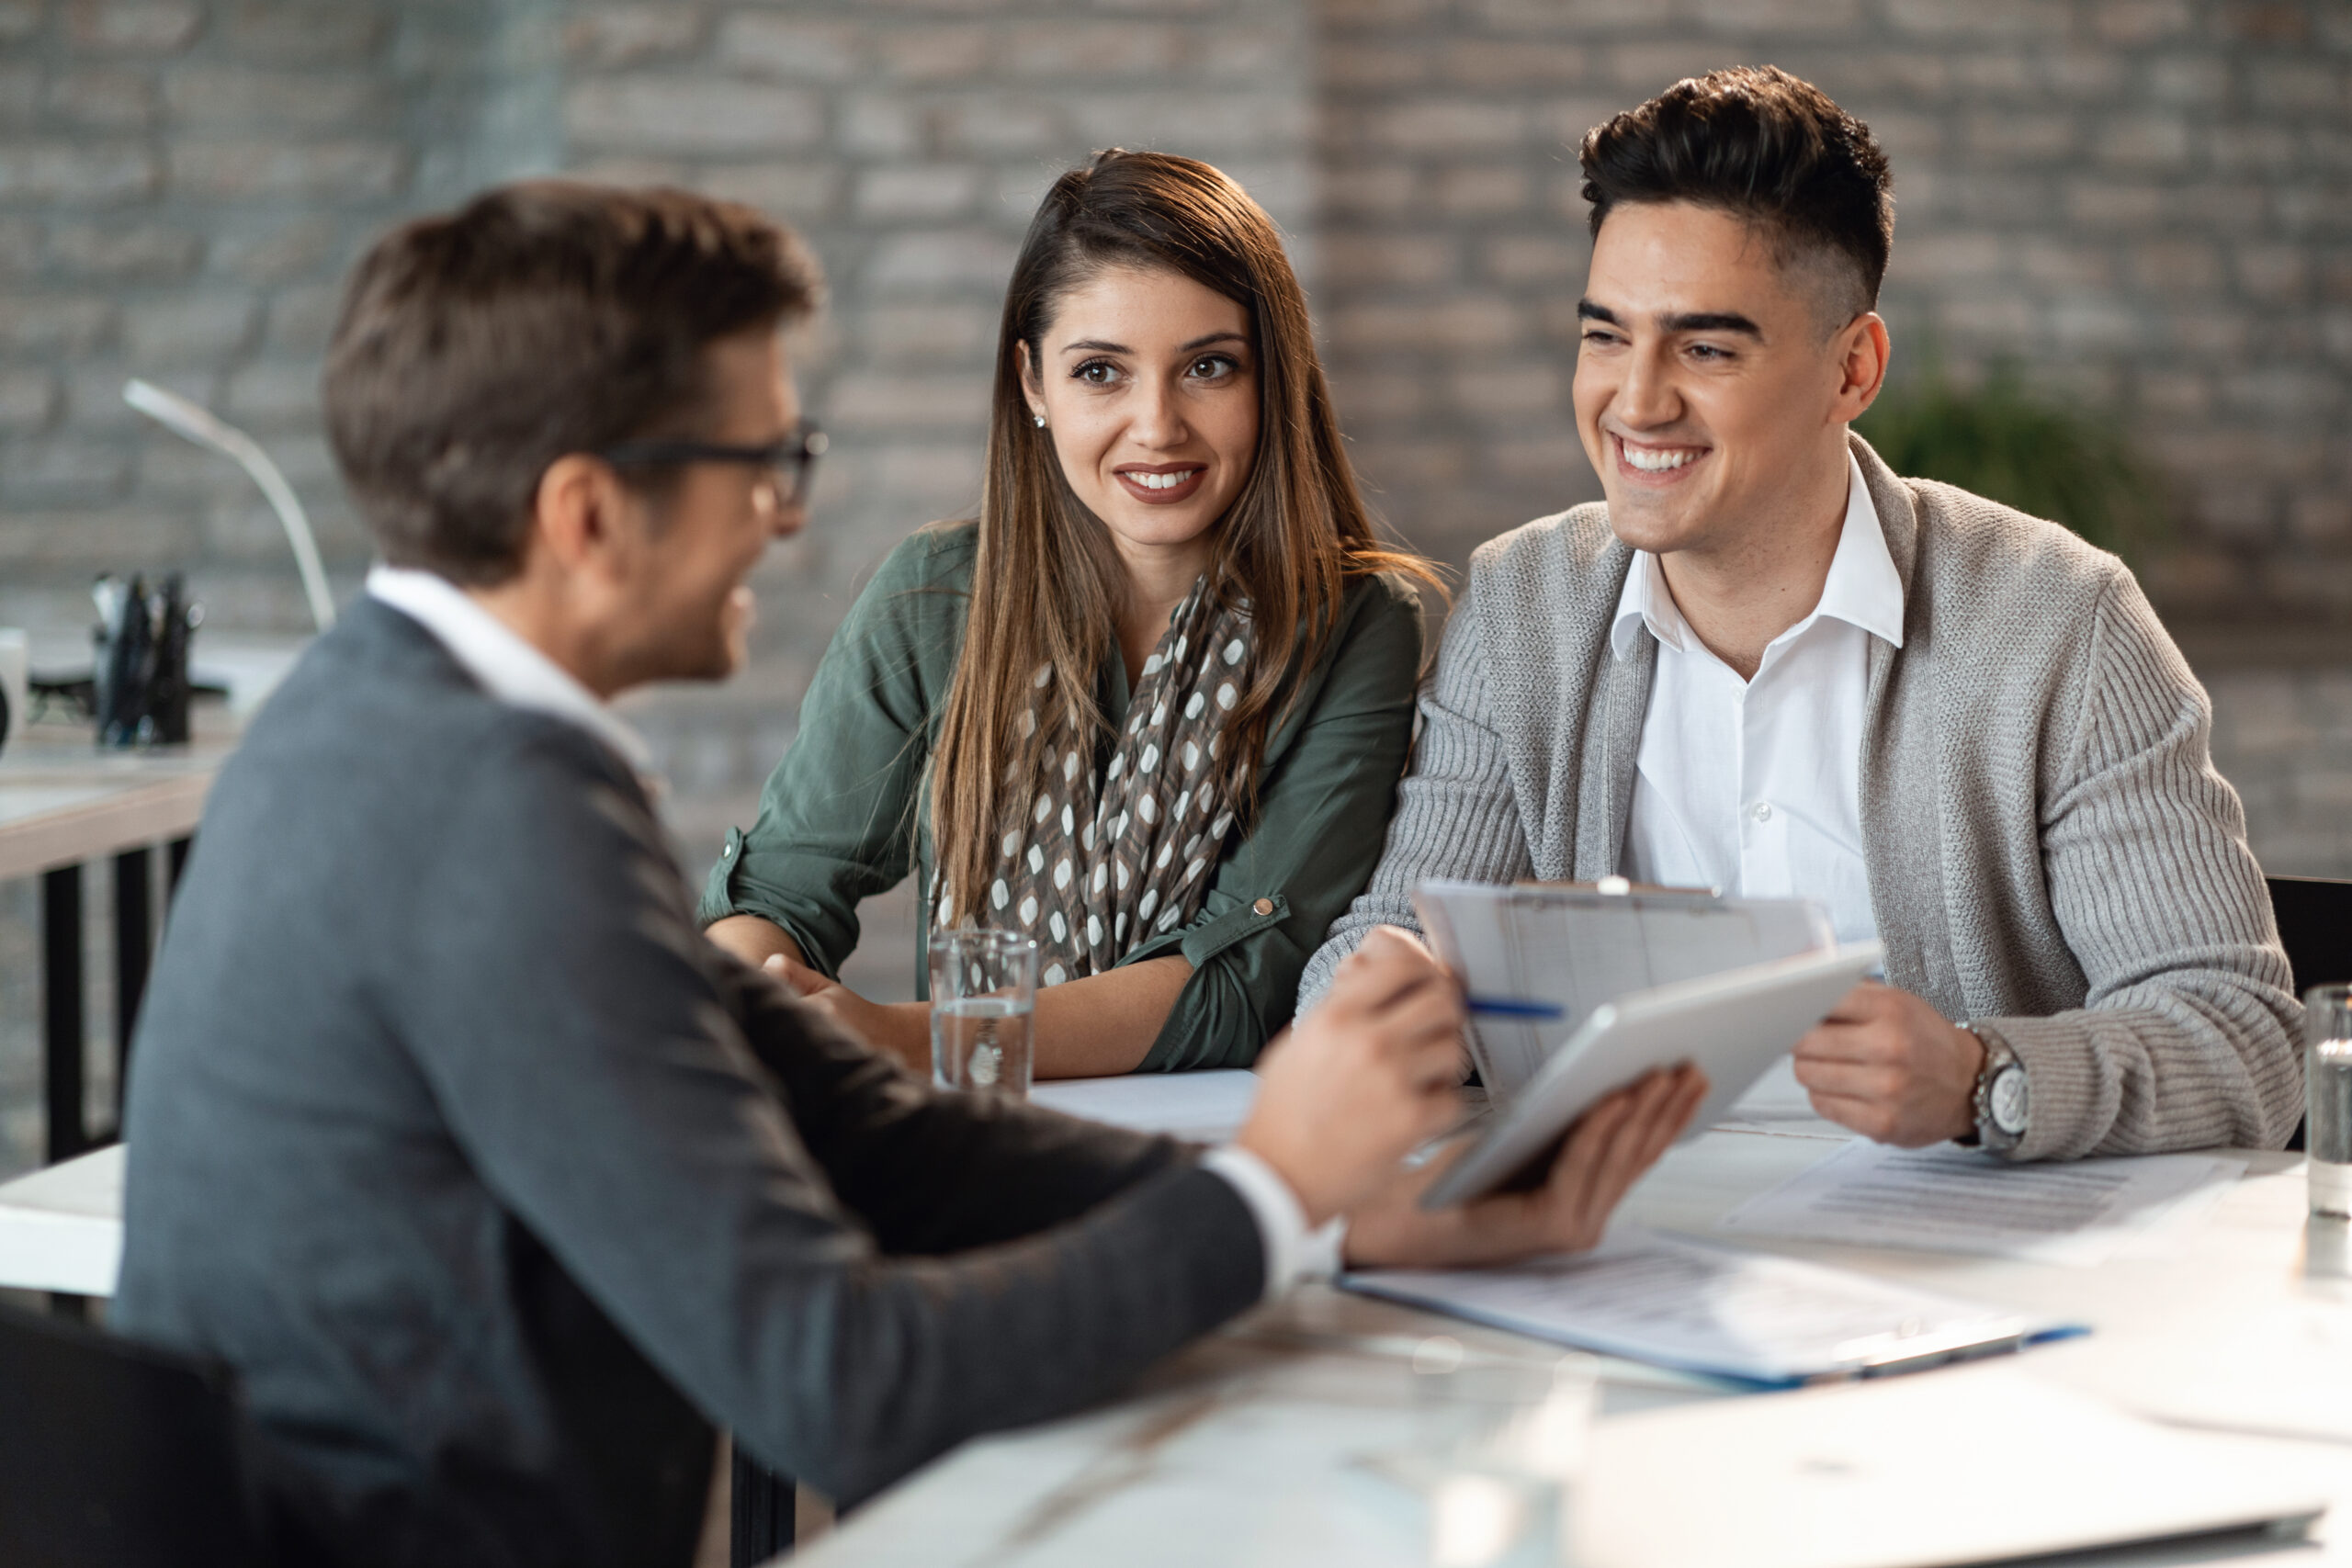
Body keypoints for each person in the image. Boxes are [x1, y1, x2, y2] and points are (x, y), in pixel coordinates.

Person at [110, 181, 1705, 1567]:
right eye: (760, 459)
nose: (782, 518)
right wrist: (1270, 1186)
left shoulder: (391, 720)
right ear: (590, 513)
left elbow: (860, 1123)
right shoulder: (486, 807)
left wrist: (1342, 1223)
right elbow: (838, 1375)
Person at [1302, 66, 2303, 1163]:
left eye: (1706, 348)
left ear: (1853, 369)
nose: (1634, 401)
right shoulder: (1520, 608)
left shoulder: (2059, 626)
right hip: (1604, 1247)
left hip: (1961, 1277)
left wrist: (1985, 1082)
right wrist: (1388, 994)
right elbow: (1384, 941)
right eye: (1603, 336)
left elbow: (2241, 1034)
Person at [701, 150, 1435, 1079]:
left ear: (1271, 379)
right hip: (983, 1145)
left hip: (1219, 1151)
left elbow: (1243, 985)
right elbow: (782, 892)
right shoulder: (938, 598)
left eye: (1208, 367)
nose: (1157, 424)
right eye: (1100, 372)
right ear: (1034, 383)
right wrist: (762, 1003)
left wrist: (903, 1038)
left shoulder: (1354, 625)